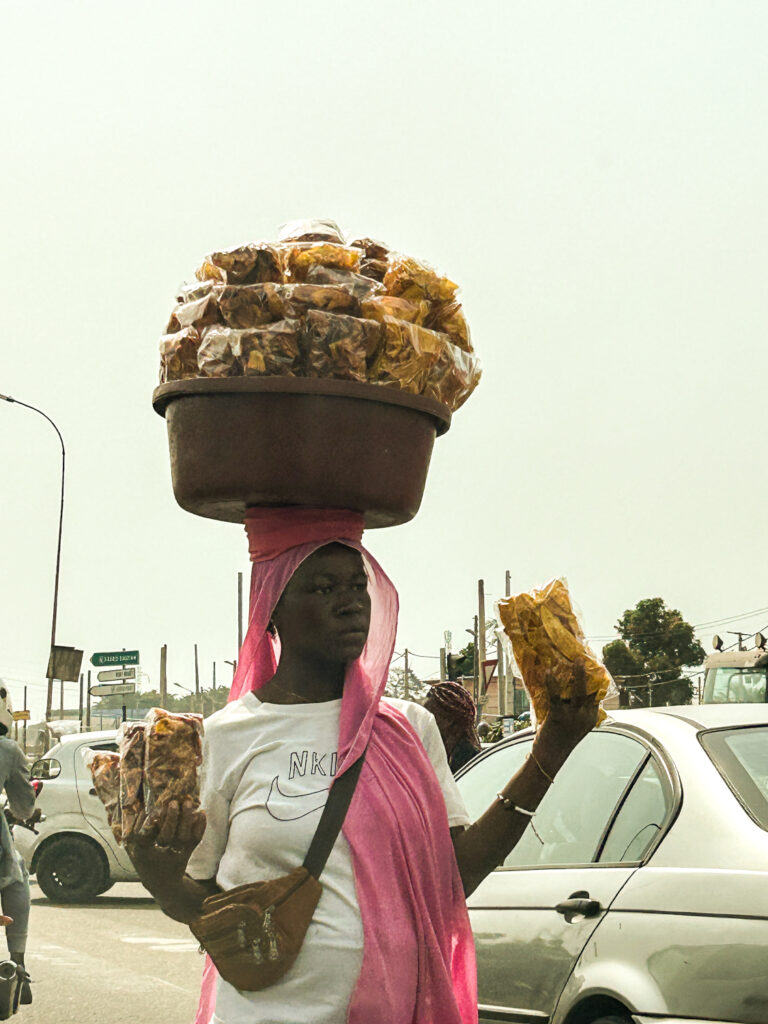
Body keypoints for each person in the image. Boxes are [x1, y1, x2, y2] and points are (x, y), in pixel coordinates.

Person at [125, 509, 598, 1024]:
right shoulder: (227, 736)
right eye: (324, 589)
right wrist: (159, 876)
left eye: (357, 585)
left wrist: (549, 753)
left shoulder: (409, 728)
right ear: (272, 608)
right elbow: (203, 906)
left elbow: (454, 877)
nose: (350, 603)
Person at [0, 687, 35, 1005]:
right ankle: (19, 963)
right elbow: (24, 806)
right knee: (16, 878)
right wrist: (20, 811)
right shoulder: (8, 750)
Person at [423, 681, 483, 774]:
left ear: (448, 720)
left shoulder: (465, 755)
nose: (426, 722)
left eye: (432, 715)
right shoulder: (433, 750)